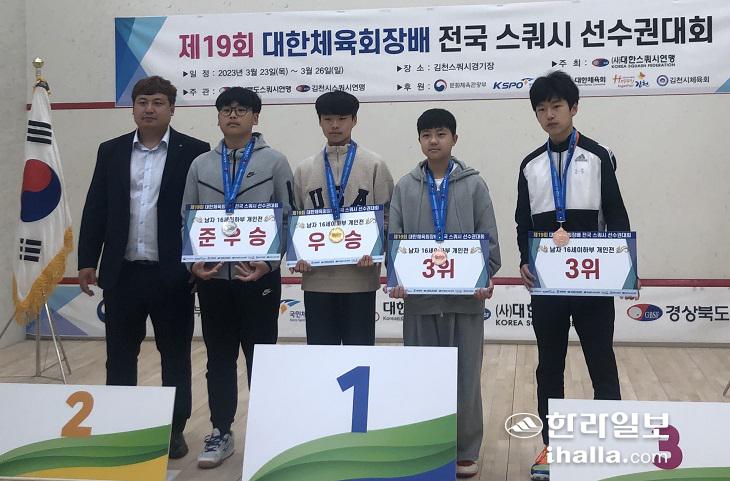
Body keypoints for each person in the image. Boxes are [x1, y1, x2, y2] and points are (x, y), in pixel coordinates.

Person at [78, 76, 210, 459]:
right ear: (133, 108)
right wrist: (87, 260)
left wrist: (198, 261)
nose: (149, 108)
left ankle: (174, 430)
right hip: (123, 273)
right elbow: (96, 207)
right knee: (120, 356)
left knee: (175, 356)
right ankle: (121, 427)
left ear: (172, 109)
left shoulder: (194, 151)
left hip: (172, 274)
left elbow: (201, 212)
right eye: (142, 102)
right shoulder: (111, 150)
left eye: (157, 102)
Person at [515, 70, 633, 481]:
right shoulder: (530, 164)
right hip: (547, 285)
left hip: (592, 282)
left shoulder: (599, 156)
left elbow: (616, 216)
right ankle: (553, 447)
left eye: (557, 106)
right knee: (549, 366)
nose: (549, 115)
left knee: (601, 361)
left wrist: (624, 267)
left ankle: (610, 447)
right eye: (541, 109)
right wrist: (524, 260)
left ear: (574, 108)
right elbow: (523, 223)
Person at [181, 87, 294, 469]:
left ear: (255, 117)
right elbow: (187, 216)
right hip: (213, 279)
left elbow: (287, 216)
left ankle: (268, 433)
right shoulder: (200, 165)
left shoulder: (275, 162)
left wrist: (270, 264)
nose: (233, 115)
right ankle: (221, 431)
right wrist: (193, 264)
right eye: (226, 110)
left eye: (241, 109)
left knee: (262, 358)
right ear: (218, 117)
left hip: (258, 278)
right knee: (219, 358)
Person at [388, 108, 501, 479]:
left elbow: (489, 239)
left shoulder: (474, 185)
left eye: (440, 133)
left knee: (466, 378)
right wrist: (396, 276)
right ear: (419, 141)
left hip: (465, 302)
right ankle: (427, 446)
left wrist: (486, 274)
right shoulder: (405, 187)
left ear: (454, 138)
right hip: (419, 303)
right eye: (426, 135)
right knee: (421, 376)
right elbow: (395, 239)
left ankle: (466, 449)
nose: (433, 141)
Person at [291, 90, 393, 345]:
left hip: (360, 278)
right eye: (328, 119)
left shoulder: (374, 165)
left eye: (342, 118)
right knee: (321, 355)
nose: (335, 125)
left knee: (359, 354)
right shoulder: (304, 169)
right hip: (316, 279)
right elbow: (296, 218)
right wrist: (297, 254)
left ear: (354, 120)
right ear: (319, 122)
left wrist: (377, 250)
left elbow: (388, 216)